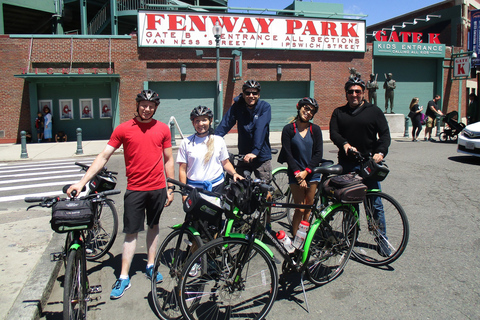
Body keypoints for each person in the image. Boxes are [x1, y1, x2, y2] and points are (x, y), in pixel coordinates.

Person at [67, 89, 175, 300]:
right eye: (144, 105)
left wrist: (169, 188)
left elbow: (169, 159)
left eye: (151, 106)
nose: (147, 109)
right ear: (137, 105)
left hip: (157, 189)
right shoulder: (124, 129)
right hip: (135, 189)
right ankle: (124, 276)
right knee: (131, 232)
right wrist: (82, 183)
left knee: (153, 226)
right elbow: (104, 156)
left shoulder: (162, 129)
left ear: (156, 108)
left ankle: (151, 266)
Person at [330, 77, 391, 256]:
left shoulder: (374, 111)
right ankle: (350, 237)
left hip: (369, 165)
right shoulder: (339, 112)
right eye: (351, 91)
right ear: (346, 93)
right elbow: (334, 133)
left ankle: (382, 239)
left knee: (375, 204)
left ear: (363, 92)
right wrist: (345, 144)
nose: (354, 94)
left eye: (358, 91)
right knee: (350, 204)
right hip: (348, 165)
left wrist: (380, 152)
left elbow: (385, 135)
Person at [177, 106, 242, 228]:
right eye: (197, 121)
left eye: (204, 120)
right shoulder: (187, 142)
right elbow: (182, 169)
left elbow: (225, 162)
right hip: (194, 190)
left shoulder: (218, 140)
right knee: (193, 224)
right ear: (193, 123)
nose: (201, 124)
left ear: (210, 121)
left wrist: (234, 173)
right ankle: (195, 246)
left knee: (213, 223)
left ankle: (214, 246)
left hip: (216, 188)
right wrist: (184, 191)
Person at [277, 97, 323, 236]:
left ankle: (304, 236)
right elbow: (288, 154)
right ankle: (295, 234)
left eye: (312, 111)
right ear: (299, 107)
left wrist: (306, 172)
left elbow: (318, 154)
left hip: (311, 173)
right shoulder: (289, 129)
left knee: (308, 208)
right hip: (295, 173)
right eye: (306, 108)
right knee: (300, 208)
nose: (308, 112)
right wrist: (299, 174)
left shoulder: (315, 129)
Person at [215, 80, 272, 182]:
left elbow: (260, 129)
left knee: (264, 189)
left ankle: (269, 196)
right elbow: (225, 124)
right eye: (248, 93)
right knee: (239, 186)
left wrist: (255, 152)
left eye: (254, 93)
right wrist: (213, 141)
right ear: (243, 94)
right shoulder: (238, 107)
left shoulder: (264, 107)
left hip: (261, 154)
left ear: (258, 95)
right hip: (244, 155)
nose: (251, 96)